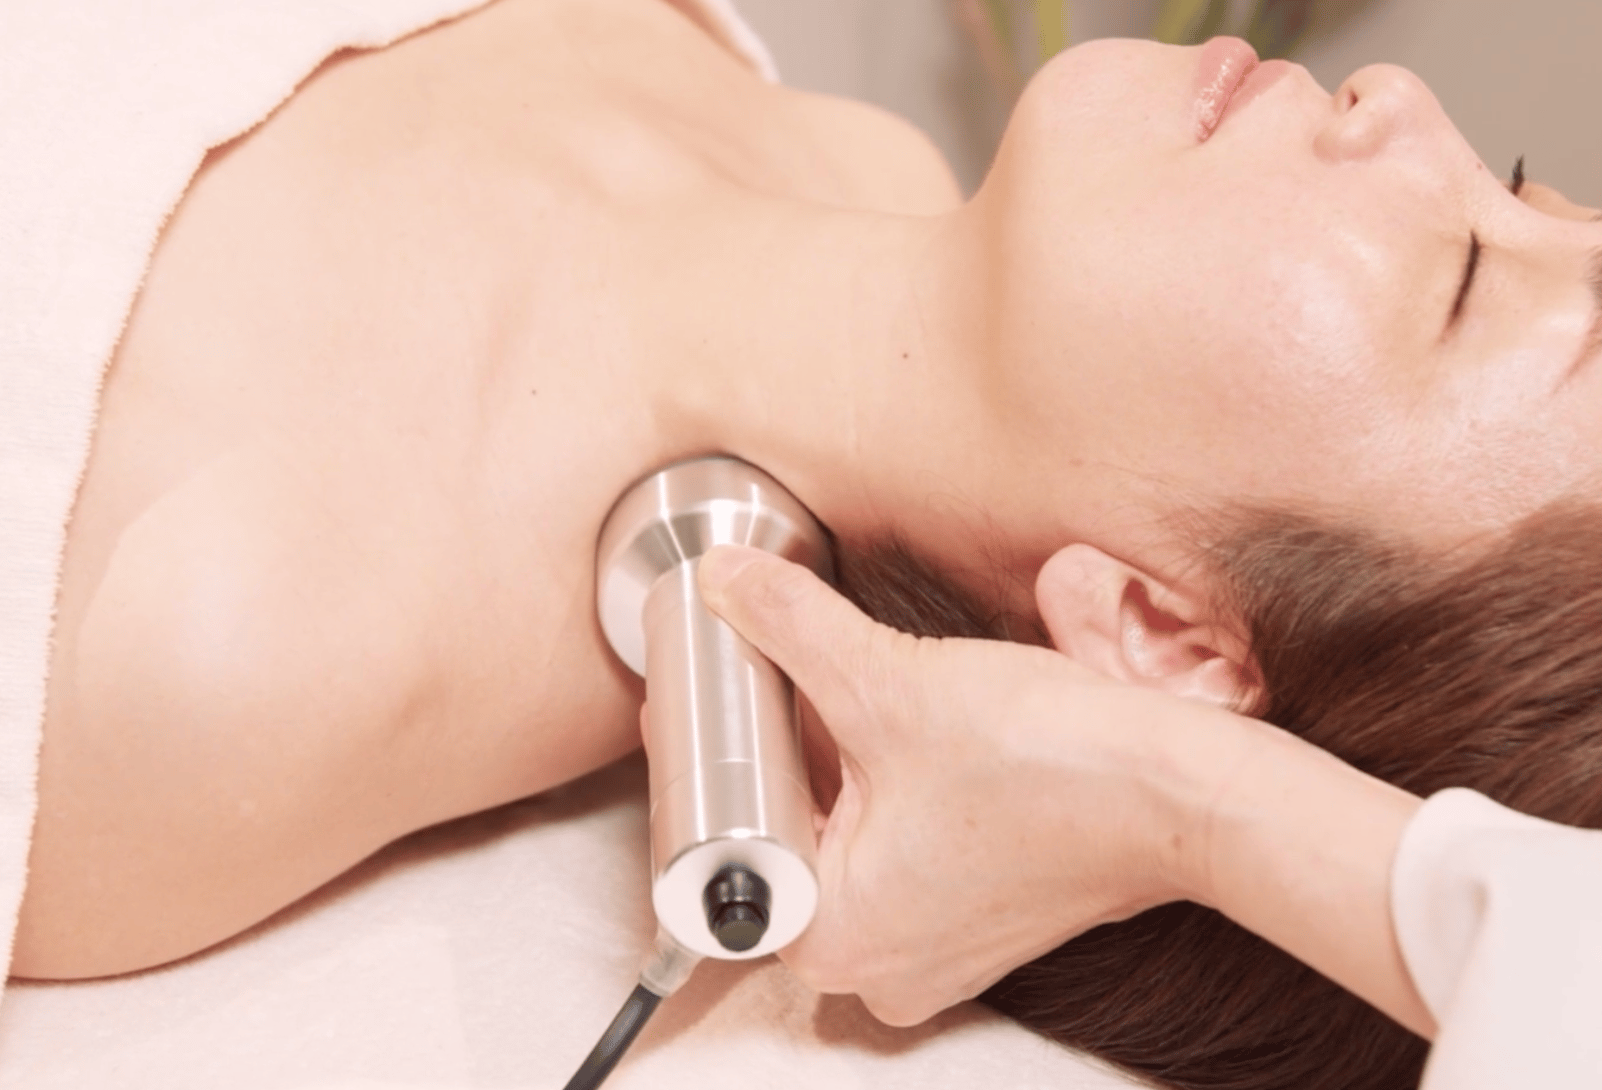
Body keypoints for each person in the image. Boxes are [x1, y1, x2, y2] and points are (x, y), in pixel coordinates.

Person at [5, 0, 1600, 1086]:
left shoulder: (215, 629)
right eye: (1527, 187)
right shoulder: (854, 154)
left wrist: (1183, 809)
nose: (1399, 107)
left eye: (1461, 277)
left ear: (1163, 636)